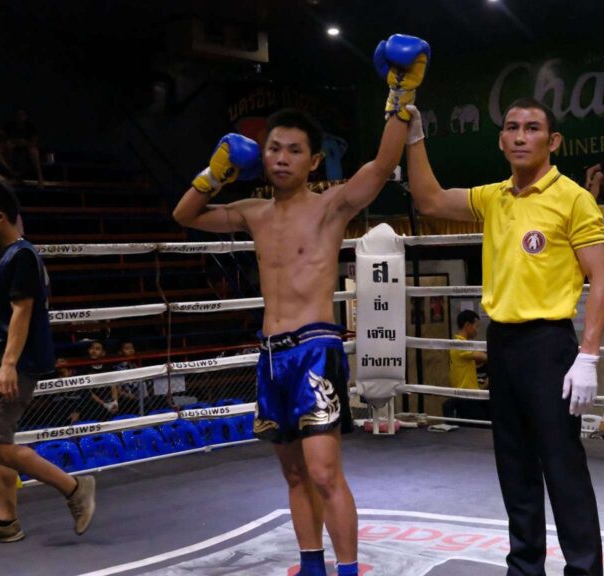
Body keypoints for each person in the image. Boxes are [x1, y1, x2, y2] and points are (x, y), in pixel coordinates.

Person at [171, 33, 428, 576]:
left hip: (315, 348)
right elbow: (185, 216)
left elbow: (382, 165)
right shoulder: (251, 212)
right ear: (260, 157)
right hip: (270, 353)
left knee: (323, 471)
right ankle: (312, 566)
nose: (281, 158)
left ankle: (349, 569)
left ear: (313, 161)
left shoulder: (332, 207)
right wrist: (214, 172)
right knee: (292, 475)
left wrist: (400, 96)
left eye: (293, 150)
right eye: (273, 148)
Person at [406, 96, 604, 575]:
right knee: (514, 468)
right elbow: (429, 199)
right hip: (501, 343)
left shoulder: (574, 198)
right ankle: (524, 569)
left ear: (552, 140)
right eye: (513, 128)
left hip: (550, 347)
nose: (521, 136)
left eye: (533, 128)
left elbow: (601, 280)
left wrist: (589, 356)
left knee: (563, 468)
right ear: (501, 140)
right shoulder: (493, 197)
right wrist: (413, 135)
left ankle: (584, 571)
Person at [0, 179, 95, 545]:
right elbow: (6, 309)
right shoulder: (6, 256)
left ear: (0, 216)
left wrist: (9, 364)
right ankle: (5, 521)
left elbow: (23, 312)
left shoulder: (23, 255)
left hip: (13, 363)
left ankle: (75, 487)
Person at [442, 309, 489, 422]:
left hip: (469, 395)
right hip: (467, 397)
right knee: (481, 428)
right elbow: (485, 357)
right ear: (467, 325)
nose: (477, 331)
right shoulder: (461, 344)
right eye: (476, 326)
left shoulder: (461, 344)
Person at [76, 339, 120, 420]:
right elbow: (88, 392)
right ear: (88, 350)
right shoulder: (83, 369)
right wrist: (104, 405)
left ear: (103, 353)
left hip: (108, 398)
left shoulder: (108, 367)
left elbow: (113, 386)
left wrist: (115, 401)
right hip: (93, 402)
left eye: (97, 349)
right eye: (92, 348)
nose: (94, 351)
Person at [3, 108, 45, 187]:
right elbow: (6, 138)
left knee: (34, 151)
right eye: (18, 115)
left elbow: (33, 142)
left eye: (22, 115)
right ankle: (11, 175)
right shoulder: (10, 126)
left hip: (26, 149)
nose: (20, 117)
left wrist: (24, 143)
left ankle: (40, 178)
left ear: (26, 116)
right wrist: (16, 141)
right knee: (8, 147)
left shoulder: (30, 127)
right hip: (13, 149)